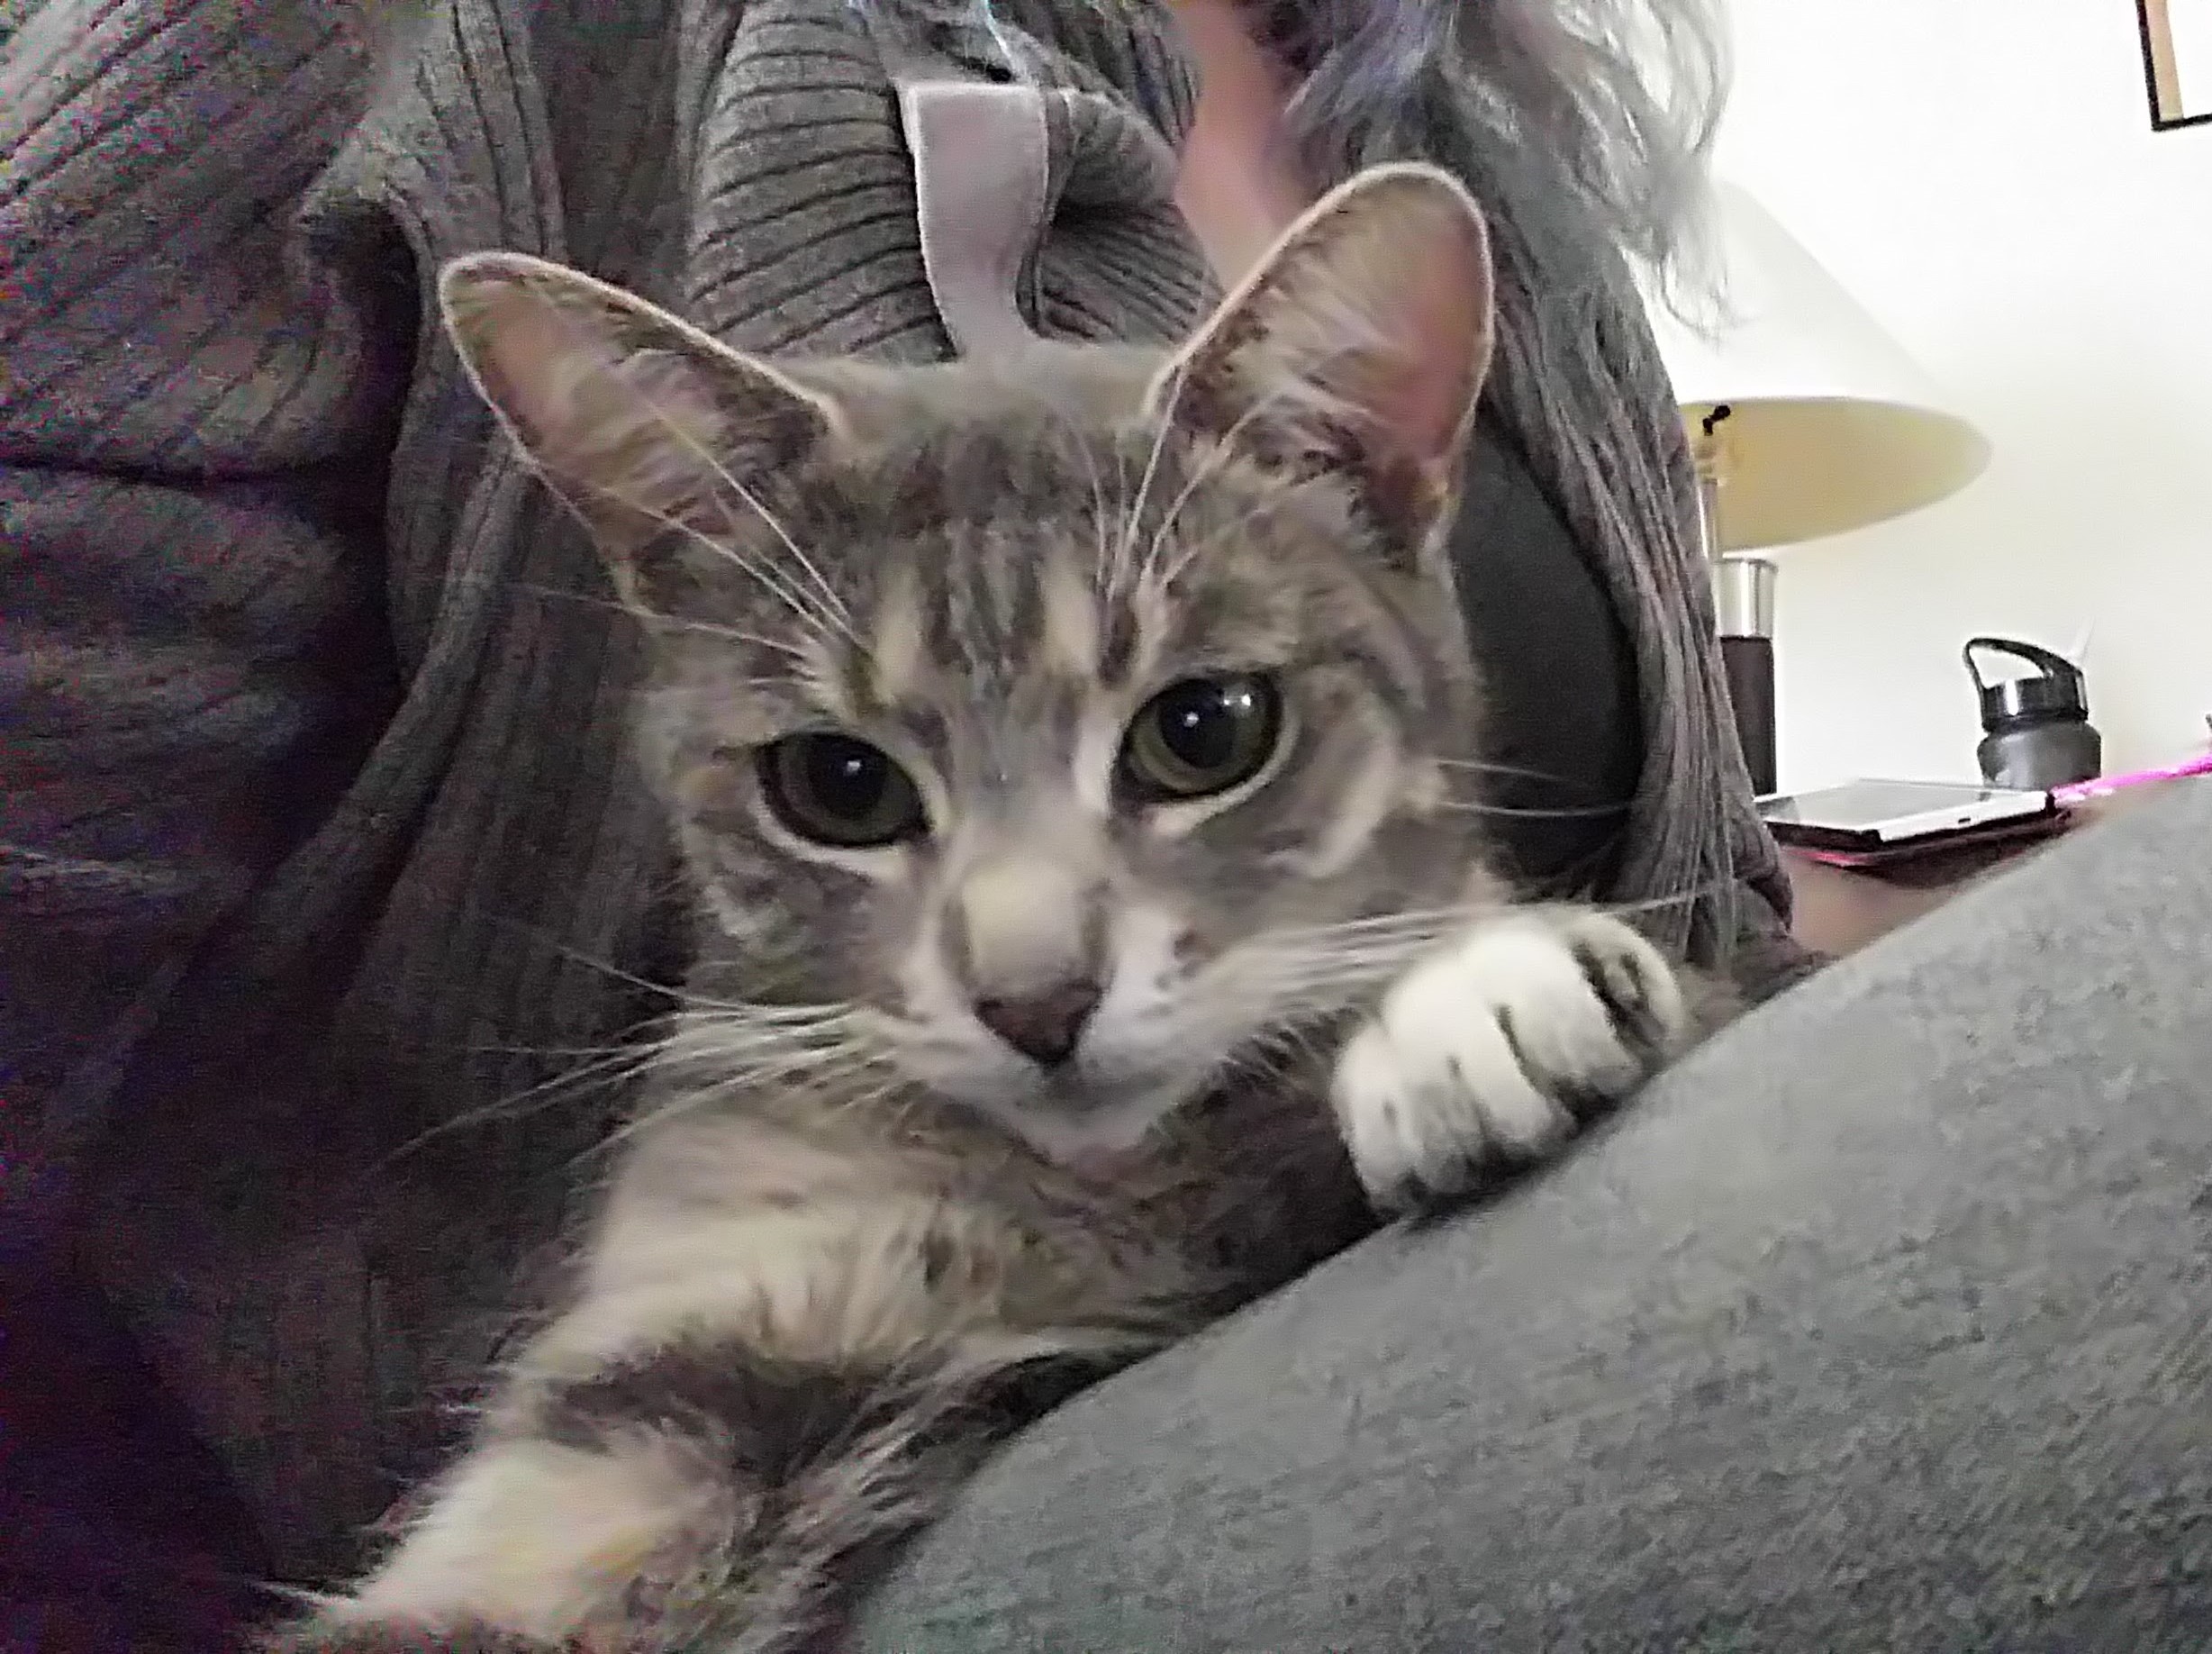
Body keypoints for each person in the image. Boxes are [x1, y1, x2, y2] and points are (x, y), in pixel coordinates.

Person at [0, 0, 1806, 1642]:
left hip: (1615, 1340)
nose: (1030, 966)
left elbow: (1704, 918)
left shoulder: (1497, 167)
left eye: (1195, 730)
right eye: (848, 785)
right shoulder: (393, 49)